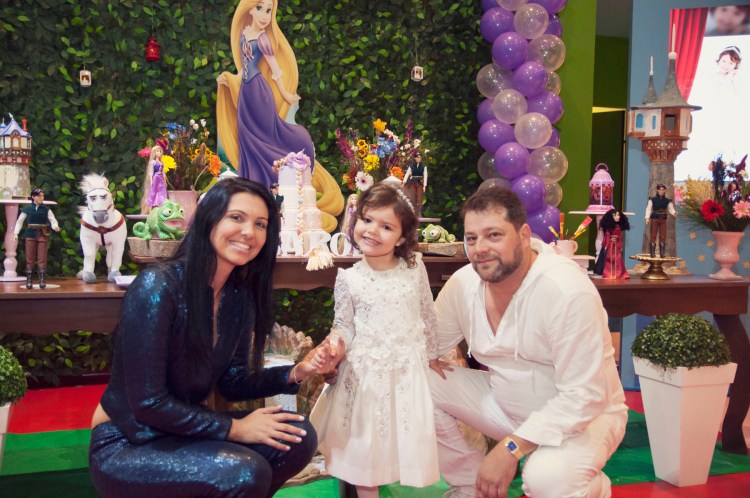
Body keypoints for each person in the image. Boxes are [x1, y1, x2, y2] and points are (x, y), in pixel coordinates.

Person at [88, 177, 343, 498]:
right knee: (245, 472)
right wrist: (235, 429)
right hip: (128, 441)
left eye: (260, 224)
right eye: (236, 217)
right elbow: (148, 404)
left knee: (297, 436)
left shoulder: (238, 296)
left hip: (185, 431)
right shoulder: (157, 286)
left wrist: (297, 372)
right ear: (209, 219)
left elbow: (234, 382)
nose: (249, 232)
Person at [429, 187, 627, 498]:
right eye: (471, 238)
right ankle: (470, 486)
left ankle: (595, 490)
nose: (480, 248)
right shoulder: (464, 283)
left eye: (494, 235)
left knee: (545, 479)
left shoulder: (565, 289)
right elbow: (425, 343)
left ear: (523, 235)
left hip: (586, 418)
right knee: (415, 379)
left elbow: (584, 396)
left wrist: (511, 449)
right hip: (504, 405)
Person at [310, 183, 442, 498]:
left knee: (397, 447)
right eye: (367, 220)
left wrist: (434, 355)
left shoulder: (414, 268)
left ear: (402, 237)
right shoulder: (349, 278)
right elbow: (344, 326)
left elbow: (427, 313)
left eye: (386, 226)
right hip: (366, 376)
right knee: (365, 453)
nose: (371, 231)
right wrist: (334, 347)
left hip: (405, 373)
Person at [216, 0, 315, 187]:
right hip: (246, 93)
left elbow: (275, 70)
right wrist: (229, 79)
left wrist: (285, 94)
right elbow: (243, 68)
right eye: (260, 8)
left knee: (263, 137)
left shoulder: (263, 39)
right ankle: (250, 182)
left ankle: (274, 178)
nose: (264, 15)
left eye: (269, 10)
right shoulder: (244, 34)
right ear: (250, 10)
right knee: (247, 137)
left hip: (260, 93)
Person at [13, 188, 61, 289]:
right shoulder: (27, 209)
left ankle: (42, 279)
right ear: (33, 197)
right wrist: (16, 233)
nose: (41, 198)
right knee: (29, 258)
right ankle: (29, 280)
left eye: (43, 196)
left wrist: (55, 226)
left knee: (42, 258)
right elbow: (19, 221)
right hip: (30, 234)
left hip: (42, 234)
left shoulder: (46, 209)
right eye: (39, 196)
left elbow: (52, 220)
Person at [595, 209, 631, 280]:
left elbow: (620, 237)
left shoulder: (619, 227)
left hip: (616, 245)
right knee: (609, 259)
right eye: (615, 215)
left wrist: (620, 245)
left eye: (618, 215)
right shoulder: (609, 228)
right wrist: (605, 245)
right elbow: (607, 236)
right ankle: (609, 273)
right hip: (610, 245)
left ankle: (619, 273)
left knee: (618, 259)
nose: (617, 217)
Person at [645, 183, 677, 258]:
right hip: (655, 218)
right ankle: (652, 253)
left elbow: (671, 209)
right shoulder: (652, 200)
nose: (661, 191)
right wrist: (647, 217)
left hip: (663, 219)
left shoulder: (667, 201)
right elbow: (648, 209)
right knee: (653, 235)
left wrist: (674, 212)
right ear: (657, 190)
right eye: (660, 190)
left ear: (665, 190)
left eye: (663, 190)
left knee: (663, 235)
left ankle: (662, 253)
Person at [402, 151, 427, 218]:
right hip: (412, 182)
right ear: (415, 158)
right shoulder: (411, 166)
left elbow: (425, 176)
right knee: (412, 197)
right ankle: (412, 212)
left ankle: (419, 213)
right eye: (417, 157)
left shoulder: (423, 167)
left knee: (419, 197)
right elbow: (407, 174)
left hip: (419, 183)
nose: (419, 159)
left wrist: (424, 185)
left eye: (420, 157)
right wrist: (404, 182)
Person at [143, 144, 168, 213]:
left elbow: (163, 173)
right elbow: (151, 172)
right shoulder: (153, 162)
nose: (159, 153)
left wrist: (165, 181)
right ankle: (150, 209)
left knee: (162, 192)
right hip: (155, 178)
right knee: (153, 192)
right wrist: (151, 181)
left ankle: (160, 207)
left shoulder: (161, 163)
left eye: (160, 151)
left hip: (161, 179)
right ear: (154, 152)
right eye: (157, 151)